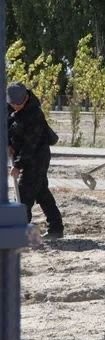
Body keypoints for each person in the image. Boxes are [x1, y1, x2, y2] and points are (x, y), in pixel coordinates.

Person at [7, 82, 64, 239]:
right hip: (22, 152)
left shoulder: (35, 115)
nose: (14, 106)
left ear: (26, 98)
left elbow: (30, 145)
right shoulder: (9, 106)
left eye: (17, 103)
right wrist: (7, 144)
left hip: (38, 156)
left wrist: (18, 165)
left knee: (24, 190)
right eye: (12, 103)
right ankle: (56, 227)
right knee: (41, 191)